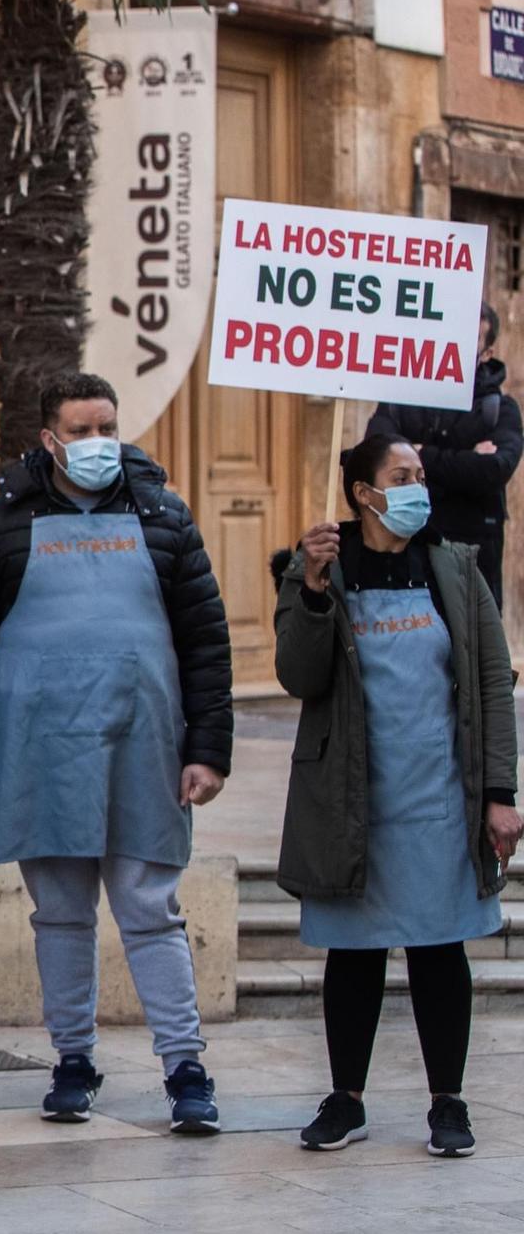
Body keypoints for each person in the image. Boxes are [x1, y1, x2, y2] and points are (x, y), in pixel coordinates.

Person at [0, 371, 232, 1134]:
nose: (100, 442)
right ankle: (72, 1059)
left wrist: (210, 748)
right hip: (42, 750)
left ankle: (186, 1067)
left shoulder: (165, 516)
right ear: (49, 438)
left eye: (109, 426)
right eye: (83, 429)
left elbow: (206, 643)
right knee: (60, 913)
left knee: (149, 908)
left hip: (146, 748)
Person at [274, 433, 521, 1158]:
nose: (418, 486)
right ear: (361, 491)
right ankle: (345, 1099)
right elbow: (300, 674)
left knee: (440, 948)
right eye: (400, 475)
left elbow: (492, 685)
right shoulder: (317, 565)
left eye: (419, 474)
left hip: (440, 797)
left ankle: (449, 1101)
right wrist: (313, 588)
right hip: (349, 798)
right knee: (354, 951)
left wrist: (500, 792)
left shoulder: (453, 566)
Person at [364, 304, 520, 608]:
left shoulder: (500, 410)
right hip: (405, 547)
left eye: (470, 337)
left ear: (486, 353)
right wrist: (462, 459)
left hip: (473, 557)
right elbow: (376, 455)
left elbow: (493, 469)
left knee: (471, 646)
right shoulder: (402, 398)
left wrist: (421, 454)